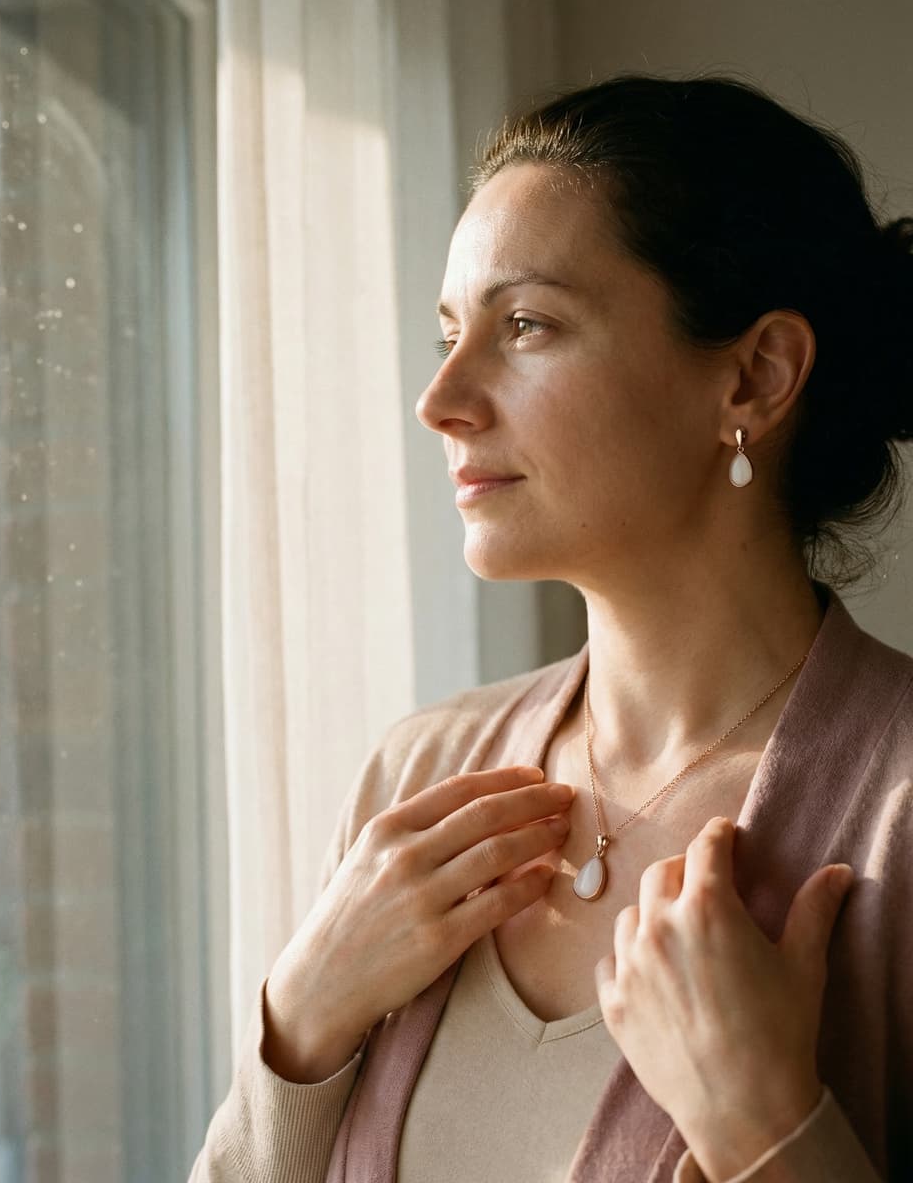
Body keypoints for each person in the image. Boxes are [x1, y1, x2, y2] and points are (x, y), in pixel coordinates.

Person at [188, 72, 913, 1182]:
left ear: (755, 374)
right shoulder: (417, 774)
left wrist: (771, 1129)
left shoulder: (897, 815)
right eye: (448, 330)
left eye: (525, 325)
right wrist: (299, 1027)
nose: (440, 398)